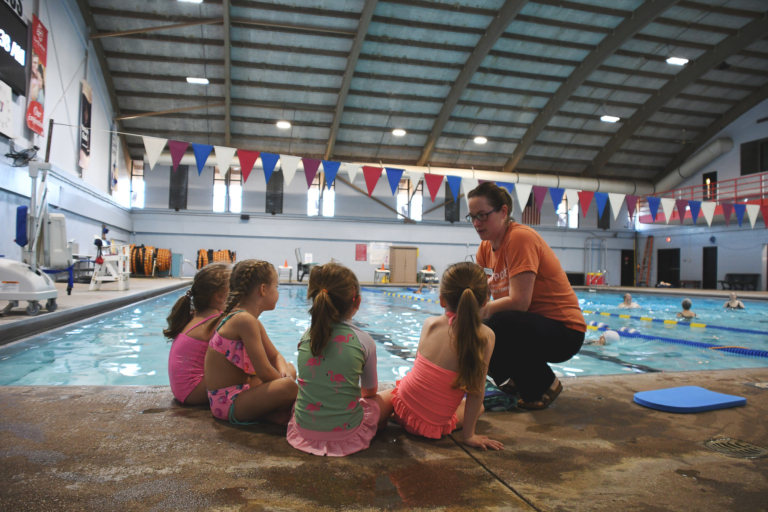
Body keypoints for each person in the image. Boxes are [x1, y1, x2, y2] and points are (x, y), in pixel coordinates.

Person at [467, 182, 586, 410]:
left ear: (503, 212)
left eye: (482, 216)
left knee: (497, 323)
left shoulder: (520, 238)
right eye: (472, 217)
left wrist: (479, 313)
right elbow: (482, 295)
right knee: (475, 331)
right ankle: (516, 380)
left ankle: (544, 384)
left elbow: (520, 303)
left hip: (565, 332)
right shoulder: (485, 248)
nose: (476, 223)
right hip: (529, 329)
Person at [379, 262, 502, 451]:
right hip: (427, 427)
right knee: (481, 407)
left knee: (399, 387)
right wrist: (469, 436)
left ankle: (379, 414)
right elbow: (476, 393)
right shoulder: (486, 336)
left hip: (402, 410)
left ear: (442, 300)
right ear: (485, 301)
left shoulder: (430, 323)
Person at [287, 263, 389, 457]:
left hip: (304, 432)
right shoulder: (364, 341)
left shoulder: (306, 337)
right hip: (346, 436)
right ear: (357, 302)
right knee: (393, 395)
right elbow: (369, 392)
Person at [204, 260, 298, 425]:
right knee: (290, 388)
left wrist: (285, 374)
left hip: (242, 391)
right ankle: (269, 413)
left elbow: (275, 356)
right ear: (263, 289)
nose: (277, 292)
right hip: (227, 403)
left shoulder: (249, 319)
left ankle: (271, 413)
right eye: (276, 287)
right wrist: (286, 383)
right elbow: (265, 372)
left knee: (289, 368)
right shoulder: (244, 320)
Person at [164, 263, 231, 405]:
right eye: (236, 289)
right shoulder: (216, 321)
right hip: (194, 392)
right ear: (221, 296)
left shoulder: (195, 316)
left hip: (183, 391)